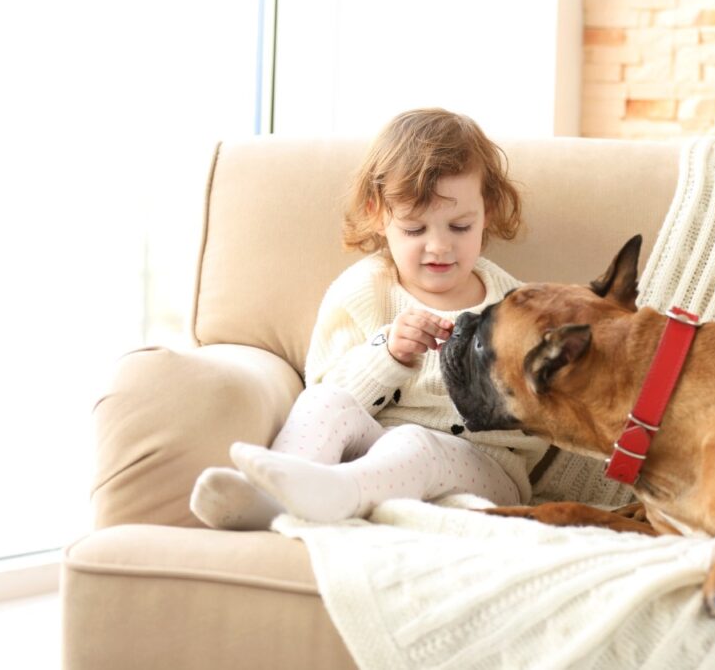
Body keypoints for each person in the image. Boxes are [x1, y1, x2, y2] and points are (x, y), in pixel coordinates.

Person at [190, 108, 549, 529]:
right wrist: (388, 356)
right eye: (415, 230)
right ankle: (269, 502)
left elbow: (540, 421)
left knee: (411, 442)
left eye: (460, 226)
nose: (439, 246)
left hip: (485, 473)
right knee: (325, 403)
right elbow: (324, 390)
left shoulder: (515, 306)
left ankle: (332, 497)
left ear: (485, 212)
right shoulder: (363, 291)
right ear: (378, 213)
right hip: (370, 457)